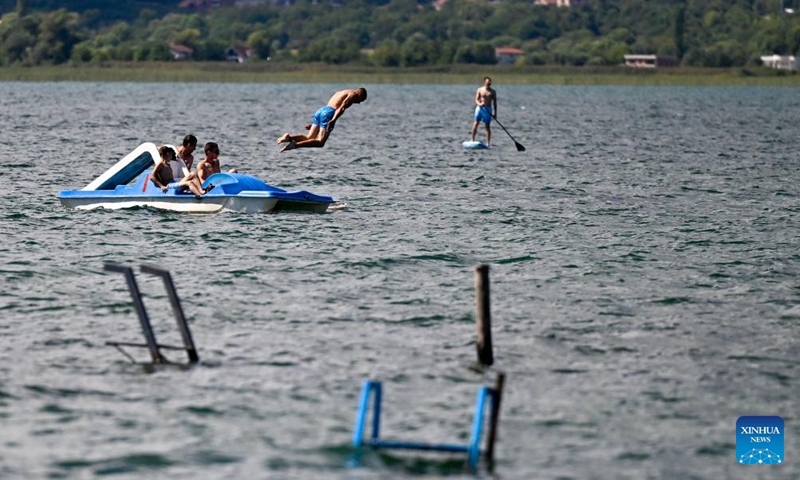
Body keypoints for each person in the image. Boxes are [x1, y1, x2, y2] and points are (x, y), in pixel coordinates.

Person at [277, 87, 367, 152]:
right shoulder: (352, 95)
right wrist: (333, 120)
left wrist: (315, 124)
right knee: (320, 142)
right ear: (359, 94)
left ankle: (288, 138)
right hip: (329, 113)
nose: (358, 103)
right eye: (360, 100)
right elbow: (341, 108)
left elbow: (329, 107)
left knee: (309, 137)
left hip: (321, 110)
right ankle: (295, 145)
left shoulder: (341, 92)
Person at [471, 77, 497, 147]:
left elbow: (494, 103)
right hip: (479, 109)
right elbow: (476, 100)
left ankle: (488, 143)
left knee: (487, 126)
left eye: (490, 82)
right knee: (476, 123)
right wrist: (479, 104)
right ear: (484, 82)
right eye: (487, 82)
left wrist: (495, 113)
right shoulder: (480, 89)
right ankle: (472, 139)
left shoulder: (493, 92)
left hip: (488, 109)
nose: (489, 83)